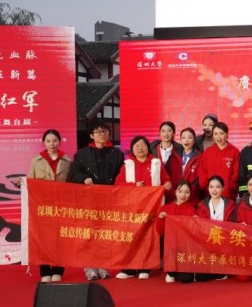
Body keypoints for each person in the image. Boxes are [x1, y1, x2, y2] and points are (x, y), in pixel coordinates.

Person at [68, 120, 125, 281]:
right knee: (88, 234)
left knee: (104, 234)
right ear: (91, 135)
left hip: (109, 200)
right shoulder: (81, 154)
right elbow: (73, 174)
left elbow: (122, 175)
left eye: (105, 131)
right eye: (98, 132)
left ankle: (103, 266)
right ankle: (89, 267)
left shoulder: (117, 154)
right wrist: (83, 178)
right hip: (88, 201)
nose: (102, 134)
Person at [114, 135, 172, 279]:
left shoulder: (156, 163)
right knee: (132, 237)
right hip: (133, 209)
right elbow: (118, 185)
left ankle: (145, 267)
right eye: (137, 146)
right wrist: (134, 186)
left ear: (148, 148)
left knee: (148, 237)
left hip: (152, 208)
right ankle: (129, 268)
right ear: (132, 149)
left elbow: (166, 180)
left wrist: (168, 184)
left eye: (143, 145)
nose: (140, 148)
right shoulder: (127, 165)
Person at [25, 129, 72, 282]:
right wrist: (21, 183)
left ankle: (58, 269)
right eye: (48, 141)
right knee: (43, 238)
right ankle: (45, 271)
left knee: (60, 238)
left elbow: (71, 184)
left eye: (55, 140)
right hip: (42, 206)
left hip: (61, 205)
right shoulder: (36, 160)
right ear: (44, 143)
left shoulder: (67, 161)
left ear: (60, 142)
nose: (52, 144)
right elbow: (30, 182)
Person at [193, 175, 236, 283]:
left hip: (224, 244)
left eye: (218, 187)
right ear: (208, 188)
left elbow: (233, 226)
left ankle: (220, 268)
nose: (214, 190)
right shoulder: (202, 205)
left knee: (219, 273)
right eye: (211, 187)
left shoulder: (230, 205)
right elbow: (200, 229)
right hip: (207, 244)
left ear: (223, 188)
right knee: (201, 277)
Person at [155, 180, 197, 283]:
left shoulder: (192, 210)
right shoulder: (165, 208)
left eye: (187, 192)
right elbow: (160, 231)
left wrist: (196, 222)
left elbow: (194, 233)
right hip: (171, 248)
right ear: (175, 192)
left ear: (190, 193)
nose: (183, 195)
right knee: (171, 275)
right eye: (180, 191)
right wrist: (161, 219)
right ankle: (171, 271)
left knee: (185, 279)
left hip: (186, 249)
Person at [198, 122, 240, 201]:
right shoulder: (207, 152)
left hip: (228, 196)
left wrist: (229, 187)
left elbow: (236, 173)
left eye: (221, 133)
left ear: (227, 135)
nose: (218, 137)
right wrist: (207, 188)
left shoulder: (234, 152)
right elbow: (202, 172)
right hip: (210, 196)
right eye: (215, 134)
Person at [150, 121, 183, 203]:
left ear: (174, 133)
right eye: (163, 131)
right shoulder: (152, 149)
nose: (166, 134)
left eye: (169, 131)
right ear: (160, 133)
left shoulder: (180, 150)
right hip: (155, 189)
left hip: (173, 189)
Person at [178, 127, 203, 205]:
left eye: (189, 137)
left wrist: (188, 189)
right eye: (183, 138)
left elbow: (200, 179)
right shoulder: (175, 156)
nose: (186, 140)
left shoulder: (200, 157)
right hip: (177, 196)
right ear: (180, 140)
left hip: (192, 196)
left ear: (194, 140)